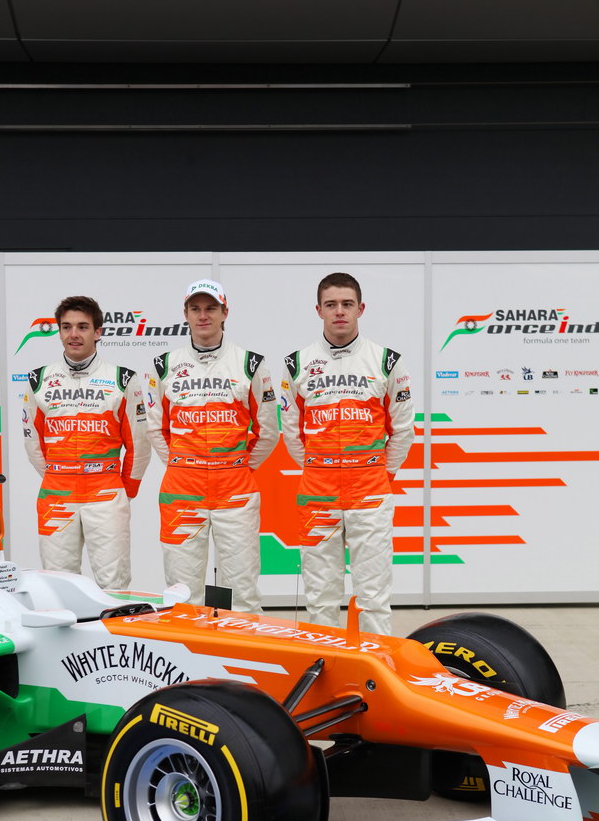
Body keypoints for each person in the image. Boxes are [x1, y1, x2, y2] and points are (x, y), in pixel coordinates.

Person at [281, 272, 414, 635]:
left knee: (373, 595)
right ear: (319, 310)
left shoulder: (387, 361)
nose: (339, 312)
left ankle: (376, 680)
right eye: (331, 305)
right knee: (320, 596)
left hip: (370, 491)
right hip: (317, 492)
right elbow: (292, 433)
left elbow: (402, 431)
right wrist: (319, 469)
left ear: (361, 308)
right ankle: (324, 677)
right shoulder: (296, 364)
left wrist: (380, 476)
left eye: (347, 304)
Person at [147, 278, 279, 611]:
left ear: (225, 313)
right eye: (195, 309)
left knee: (242, 590)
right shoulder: (163, 366)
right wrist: (182, 463)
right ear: (186, 314)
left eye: (210, 308)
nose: (203, 315)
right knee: (181, 593)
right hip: (182, 489)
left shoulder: (250, 363)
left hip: (235, 487)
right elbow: (156, 429)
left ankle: (245, 659)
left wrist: (239, 466)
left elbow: (268, 432)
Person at [23, 294, 150, 590]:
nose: (74, 335)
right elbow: (33, 441)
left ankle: (115, 636)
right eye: (66, 327)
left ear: (98, 332)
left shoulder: (122, 378)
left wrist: (125, 489)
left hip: (105, 493)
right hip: (57, 494)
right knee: (58, 583)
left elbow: (139, 443)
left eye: (82, 327)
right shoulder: (38, 379)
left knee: (113, 584)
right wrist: (57, 476)